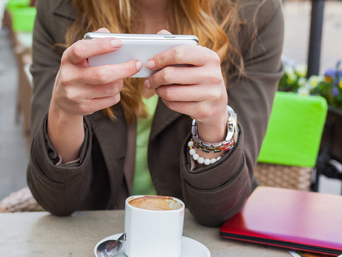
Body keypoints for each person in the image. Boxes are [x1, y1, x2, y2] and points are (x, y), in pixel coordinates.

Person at [27, 0, 284, 226]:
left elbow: (219, 210)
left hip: (193, 240)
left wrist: (215, 123)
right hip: (91, 237)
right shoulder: (57, 8)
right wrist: (64, 113)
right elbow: (57, 201)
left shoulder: (256, 12)